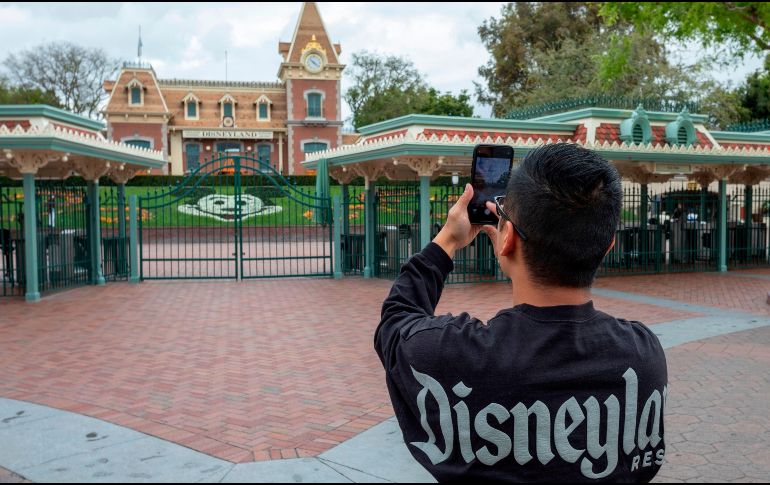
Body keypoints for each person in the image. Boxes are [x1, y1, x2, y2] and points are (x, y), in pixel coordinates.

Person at [375, 143, 667, 482]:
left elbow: (396, 321)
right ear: (607, 246)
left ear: (507, 237)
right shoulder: (644, 356)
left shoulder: (453, 354)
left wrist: (447, 241)